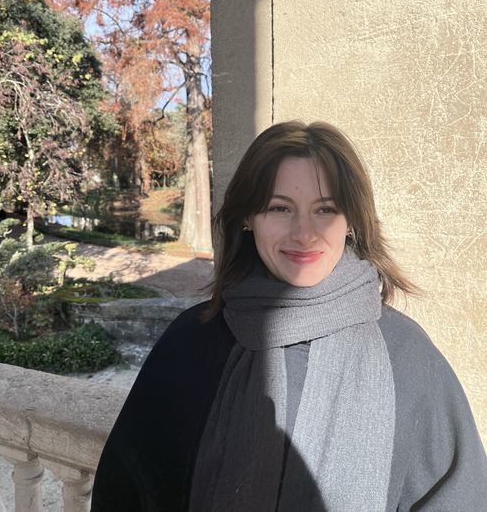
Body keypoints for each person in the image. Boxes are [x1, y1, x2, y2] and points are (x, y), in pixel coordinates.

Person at [91, 121, 487, 511]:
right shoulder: (189, 344)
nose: (304, 233)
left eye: (325, 209)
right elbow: (124, 491)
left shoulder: (408, 357)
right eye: (280, 208)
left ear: (351, 221)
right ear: (247, 218)